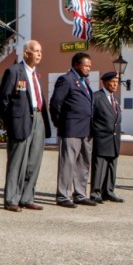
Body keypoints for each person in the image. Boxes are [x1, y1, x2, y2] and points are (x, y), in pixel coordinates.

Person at [0, 40, 51, 212]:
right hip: (20, 121)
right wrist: (10, 121)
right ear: (26, 53)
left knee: (34, 160)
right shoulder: (14, 72)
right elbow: (3, 100)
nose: (39, 54)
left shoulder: (36, 74)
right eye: (36, 51)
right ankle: (12, 199)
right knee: (17, 161)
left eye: (41, 51)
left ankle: (27, 197)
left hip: (38, 118)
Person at [49, 52, 95, 208]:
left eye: (90, 65)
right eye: (86, 65)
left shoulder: (85, 82)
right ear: (76, 65)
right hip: (70, 129)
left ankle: (80, 194)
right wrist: (60, 124)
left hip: (86, 130)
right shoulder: (66, 79)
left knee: (83, 164)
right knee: (67, 163)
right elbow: (55, 104)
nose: (89, 68)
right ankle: (63, 195)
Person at [90, 71, 124, 203]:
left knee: (112, 166)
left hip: (114, 139)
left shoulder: (116, 98)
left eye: (116, 82)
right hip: (101, 138)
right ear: (104, 82)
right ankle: (96, 193)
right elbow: (91, 117)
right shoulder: (97, 97)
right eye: (112, 82)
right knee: (99, 166)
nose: (115, 85)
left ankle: (109, 191)